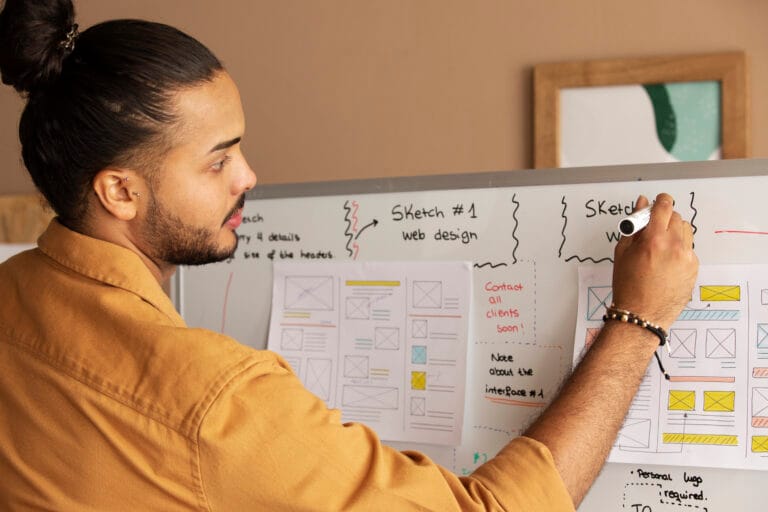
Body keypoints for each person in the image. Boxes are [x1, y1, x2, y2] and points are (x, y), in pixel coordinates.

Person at [0, 1, 698, 510]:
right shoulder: (212, 401)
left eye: (239, 147)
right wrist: (636, 321)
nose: (248, 177)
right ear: (119, 191)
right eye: (217, 162)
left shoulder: (11, 295)